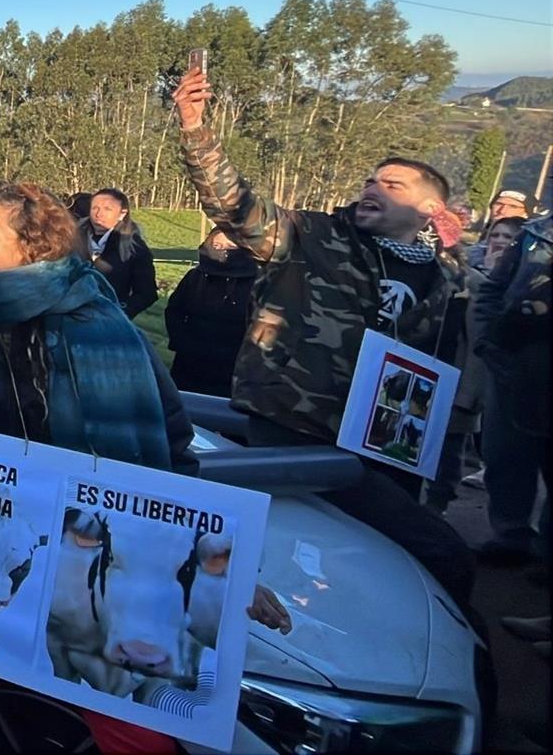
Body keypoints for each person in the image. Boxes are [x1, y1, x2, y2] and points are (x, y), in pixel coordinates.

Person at [0, 182, 289, 753]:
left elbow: (168, 452)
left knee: (137, 735)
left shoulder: (105, 326)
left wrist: (224, 567)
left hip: (92, 564)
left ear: (33, 246)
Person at [174, 66, 476, 609]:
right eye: (370, 180)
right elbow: (232, 204)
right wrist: (195, 126)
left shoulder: (446, 277)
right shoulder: (310, 237)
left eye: (392, 184)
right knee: (446, 554)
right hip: (296, 427)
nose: (371, 189)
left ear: (430, 209)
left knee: (371, 566)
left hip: (386, 444)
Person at [472, 212, 550, 566]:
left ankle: (547, 557)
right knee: (504, 456)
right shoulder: (537, 231)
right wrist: (488, 342)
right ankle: (510, 535)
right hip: (512, 366)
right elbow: (493, 288)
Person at [162, 229, 257, 400]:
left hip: (233, 366)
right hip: (190, 362)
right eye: (217, 246)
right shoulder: (195, 277)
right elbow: (174, 310)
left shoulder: (256, 282)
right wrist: (181, 342)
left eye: (230, 247)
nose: (222, 252)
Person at [80, 188, 157, 318]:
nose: (99, 214)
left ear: (122, 214)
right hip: (69, 320)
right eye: (95, 208)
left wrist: (119, 312)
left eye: (107, 209)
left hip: (108, 322)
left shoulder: (134, 248)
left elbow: (147, 293)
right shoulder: (71, 239)